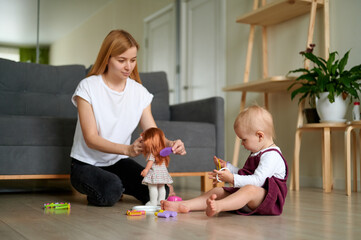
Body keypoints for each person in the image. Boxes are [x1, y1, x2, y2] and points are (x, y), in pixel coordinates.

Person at [70, 29, 186, 206]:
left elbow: (151, 132)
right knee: (110, 190)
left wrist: (170, 144)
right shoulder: (88, 87)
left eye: (133, 60)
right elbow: (91, 139)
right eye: (121, 60)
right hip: (85, 164)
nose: (128, 67)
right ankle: (113, 186)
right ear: (107, 58)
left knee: (161, 191)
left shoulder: (140, 93)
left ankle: (117, 185)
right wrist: (127, 150)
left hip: (117, 163)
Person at [161, 105, 288, 216]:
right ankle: (186, 205)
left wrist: (231, 178)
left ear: (260, 136)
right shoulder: (257, 152)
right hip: (251, 197)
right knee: (218, 190)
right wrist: (229, 167)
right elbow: (247, 173)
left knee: (249, 189)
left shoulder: (272, 156)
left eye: (244, 139)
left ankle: (219, 206)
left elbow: (257, 181)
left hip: (268, 202)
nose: (242, 144)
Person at [141, 127, 173, 206]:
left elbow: (150, 163)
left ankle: (153, 202)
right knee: (161, 187)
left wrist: (146, 170)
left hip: (154, 173)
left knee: (152, 187)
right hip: (162, 173)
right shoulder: (163, 153)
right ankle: (161, 201)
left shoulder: (152, 154)